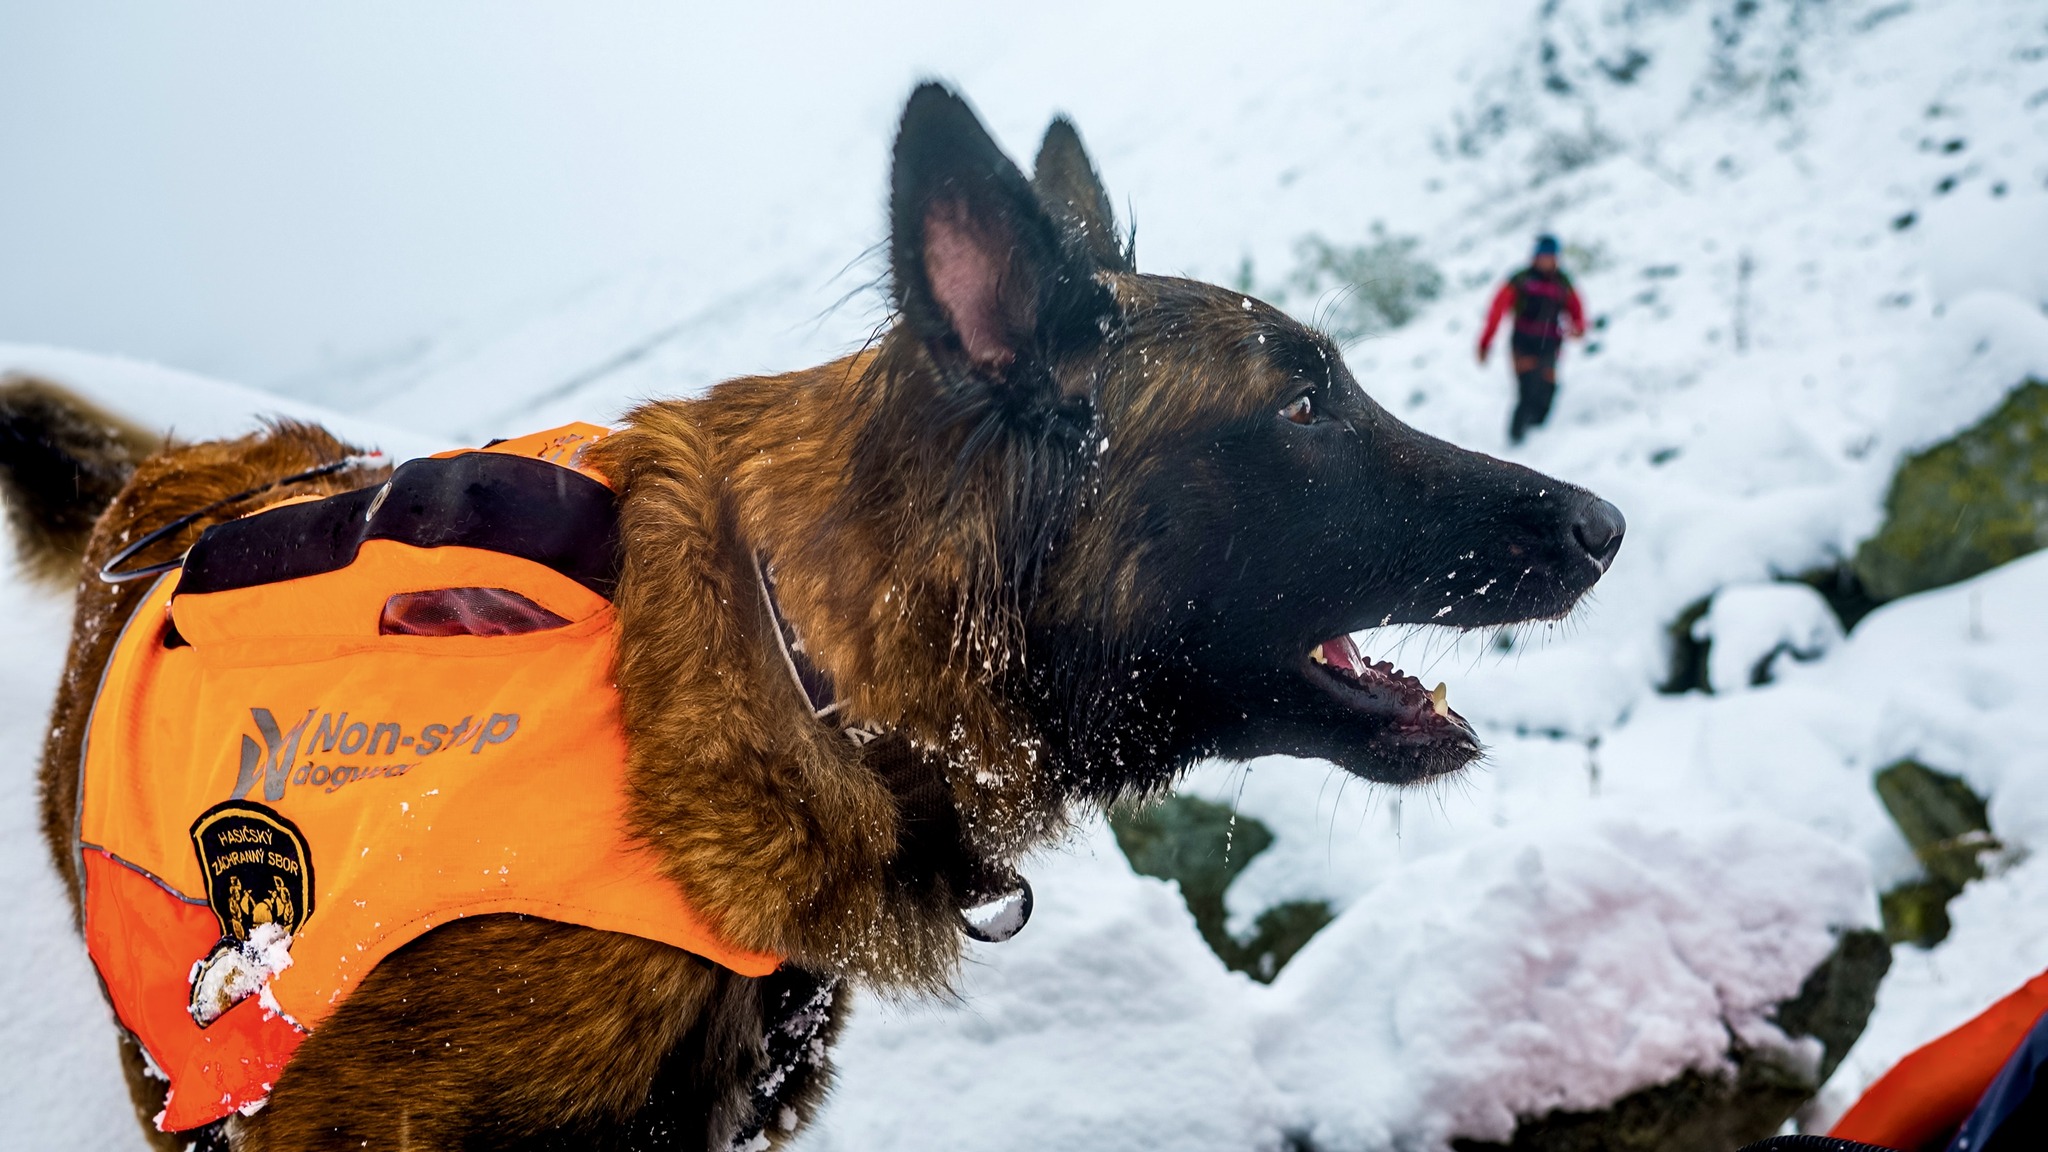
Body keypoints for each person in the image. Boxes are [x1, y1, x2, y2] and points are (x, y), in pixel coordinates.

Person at [1478, 235, 1586, 445]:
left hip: (1551, 346)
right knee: (1528, 390)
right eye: (1542, 256)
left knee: (1548, 391)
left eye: (1550, 256)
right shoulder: (1520, 280)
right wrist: (1485, 342)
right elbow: (1497, 310)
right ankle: (1515, 441)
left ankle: (1537, 439)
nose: (1546, 261)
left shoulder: (1563, 282)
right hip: (1523, 344)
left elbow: (1577, 311)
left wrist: (1579, 328)